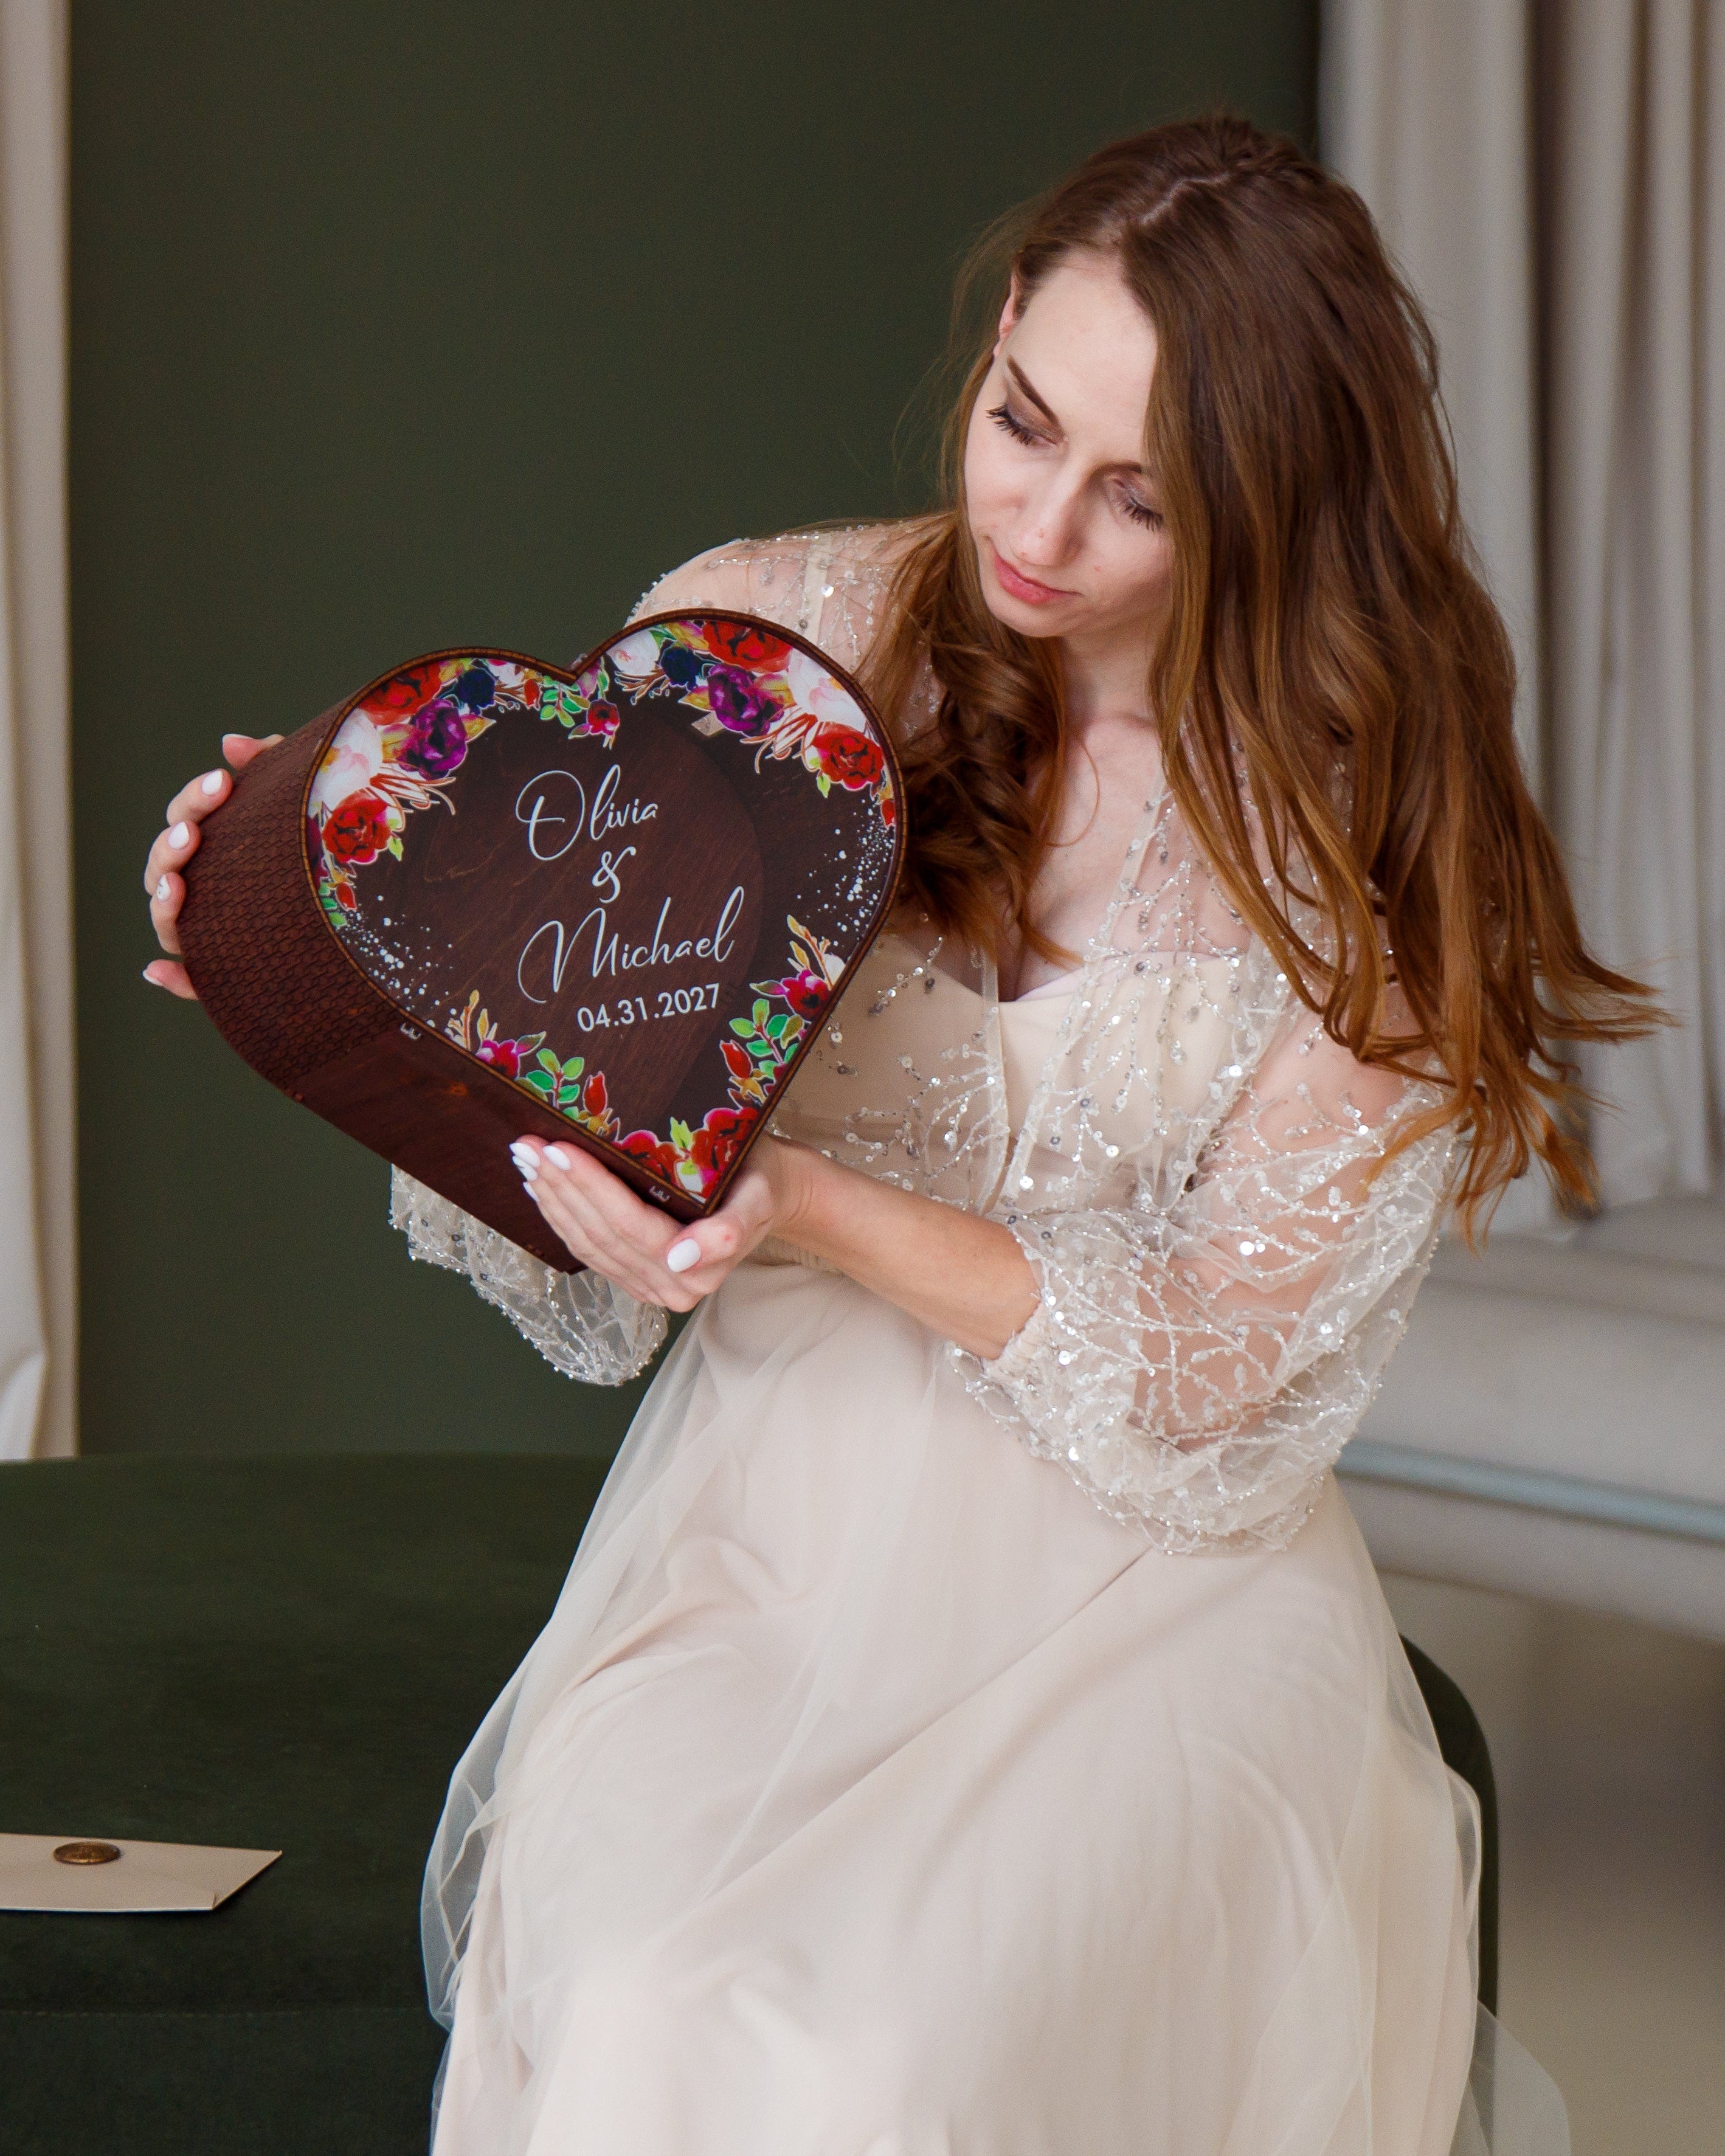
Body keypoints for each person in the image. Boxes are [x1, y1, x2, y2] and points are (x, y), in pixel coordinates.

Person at [145, 118, 1653, 2154]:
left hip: (1150, 1598)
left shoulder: (1362, 834)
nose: (1041, 523)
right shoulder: (771, 643)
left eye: (1143, 497)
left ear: (1272, 508)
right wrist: (305, 929)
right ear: (1006, 319)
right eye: (1024, 420)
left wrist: (813, 1204)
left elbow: (1210, 1369)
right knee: (672, 2007)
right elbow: (567, 1082)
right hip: (757, 1540)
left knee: (878, 2069)